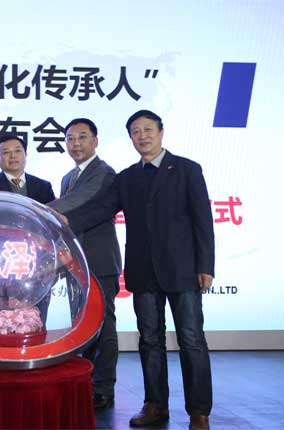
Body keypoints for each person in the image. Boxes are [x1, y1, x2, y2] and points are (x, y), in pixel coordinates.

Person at [65, 110, 214, 430]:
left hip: (183, 270)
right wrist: (64, 221)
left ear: (161, 132)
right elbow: (102, 210)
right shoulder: (127, 177)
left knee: (191, 340)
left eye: (148, 129)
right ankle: (155, 405)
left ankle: (199, 412)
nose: (142, 136)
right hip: (143, 271)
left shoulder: (187, 169)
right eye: (135, 131)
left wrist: (206, 265)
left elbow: (203, 220)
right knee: (149, 339)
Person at [48, 118, 122, 410]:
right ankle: (86, 383)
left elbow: (81, 201)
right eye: (70, 138)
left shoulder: (104, 173)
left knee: (104, 325)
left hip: (100, 260)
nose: (75, 144)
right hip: (75, 263)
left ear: (95, 141)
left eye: (82, 137)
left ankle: (103, 387)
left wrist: (38, 209)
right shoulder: (69, 176)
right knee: (82, 324)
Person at [0, 133, 55, 320]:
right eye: (6, 152)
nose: (13, 156)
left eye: (18, 151)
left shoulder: (43, 186)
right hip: (0, 260)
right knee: (0, 318)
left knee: (35, 317)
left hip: (36, 261)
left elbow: (52, 224)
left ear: (25, 154)